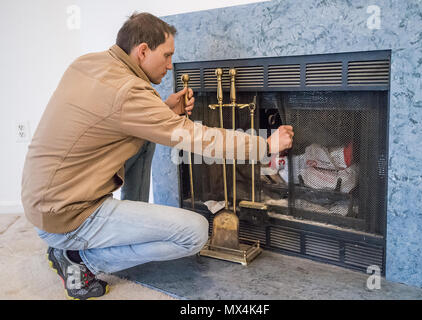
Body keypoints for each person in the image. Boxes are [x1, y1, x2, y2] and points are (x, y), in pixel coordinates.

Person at [21, 12, 294, 300]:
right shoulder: (128, 92)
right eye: (166, 55)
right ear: (142, 51)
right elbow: (199, 139)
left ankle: (95, 238)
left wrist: (163, 112)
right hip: (67, 216)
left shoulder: (90, 63)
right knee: (195, 232)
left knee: (146, 139)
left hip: (45, 204)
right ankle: (78, 260)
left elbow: (114, 118)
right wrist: (265, 145)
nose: (170, 65)